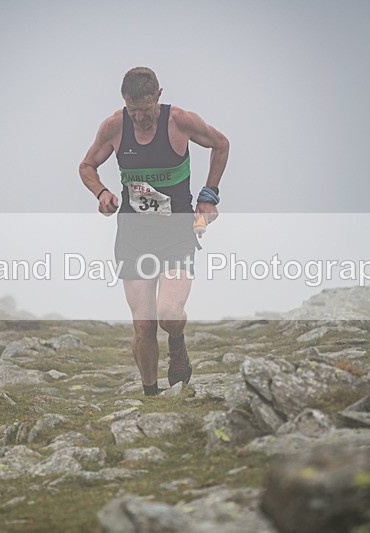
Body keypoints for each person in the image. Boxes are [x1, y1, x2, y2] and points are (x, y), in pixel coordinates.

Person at [78, 67, 229, 396]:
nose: (141, 120)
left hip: (177, 234)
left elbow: (221, 144)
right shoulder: (115, 126)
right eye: (133, 112)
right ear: (124, 102)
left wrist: (209, 196)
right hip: (133, 237)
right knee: (143, 324)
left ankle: (177, 342)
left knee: (168, 314)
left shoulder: (180, 121)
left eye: (146, 112)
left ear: (158, 98)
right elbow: (87, 166)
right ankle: (151, 395)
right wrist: (102, 193)